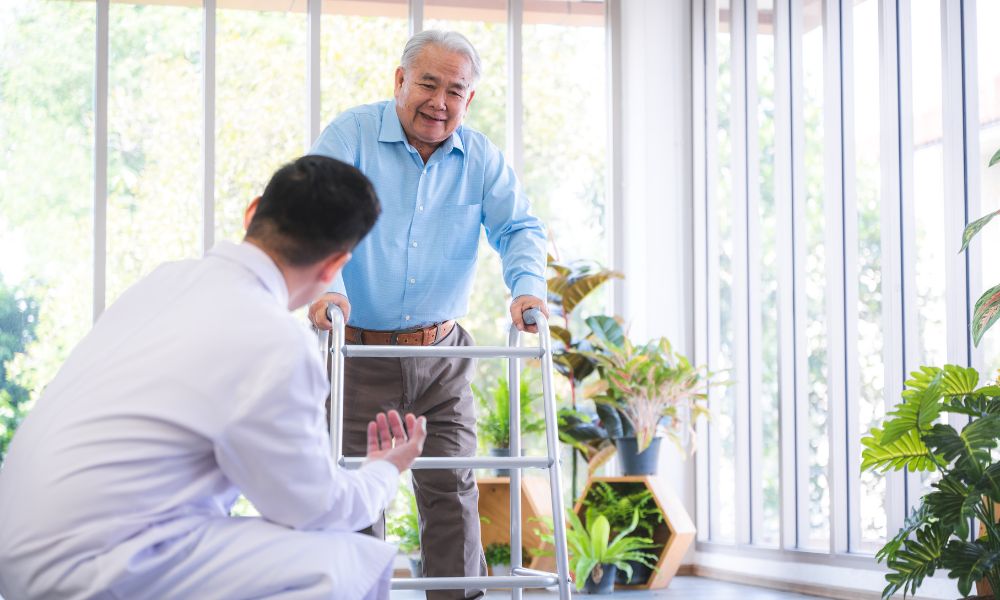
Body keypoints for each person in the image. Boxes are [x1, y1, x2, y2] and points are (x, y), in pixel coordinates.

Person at [0, 155, 426, 600]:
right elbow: (311, 507)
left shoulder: (163, 282)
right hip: (86, 567)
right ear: (333, 265)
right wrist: (384, 471)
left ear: (253, 211)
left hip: (20, 551)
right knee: (340, 561)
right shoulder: (275, 340)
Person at [306, 30, 548, 600]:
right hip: (360, 352)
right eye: (428, 84)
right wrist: (328, 290)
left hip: (443, 354)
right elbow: (313, 214)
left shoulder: (481, 156)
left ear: (469, 99)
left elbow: (519, 228)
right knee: (358, 490)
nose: (439, 102)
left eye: (455, 91)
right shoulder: (352, 136)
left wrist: (527, 289)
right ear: (400, 81)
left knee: (451, 486)